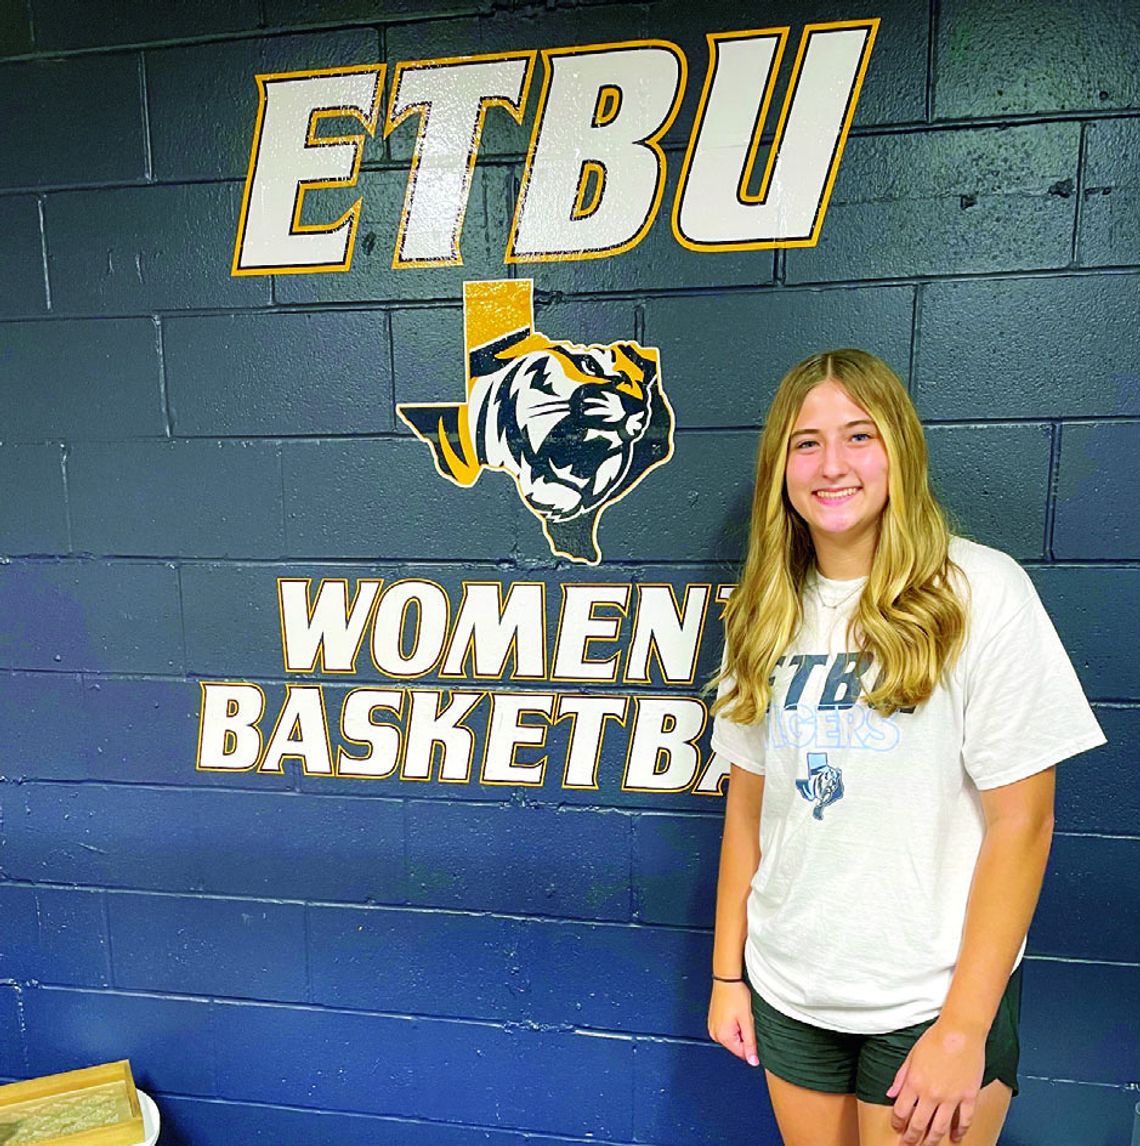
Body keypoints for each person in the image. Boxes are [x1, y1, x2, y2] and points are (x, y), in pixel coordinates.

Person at [706, 349, 1105, 1146]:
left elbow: (1024, 824)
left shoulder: (979, 590)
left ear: (900, 449)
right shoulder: (764, 608)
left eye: (859, 436)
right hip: (794, 987)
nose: (832, 465)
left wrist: (964, 1026)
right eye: (805, 442)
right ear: (779, 466)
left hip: (930, 997)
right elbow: (750, 804)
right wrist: (728, 976)